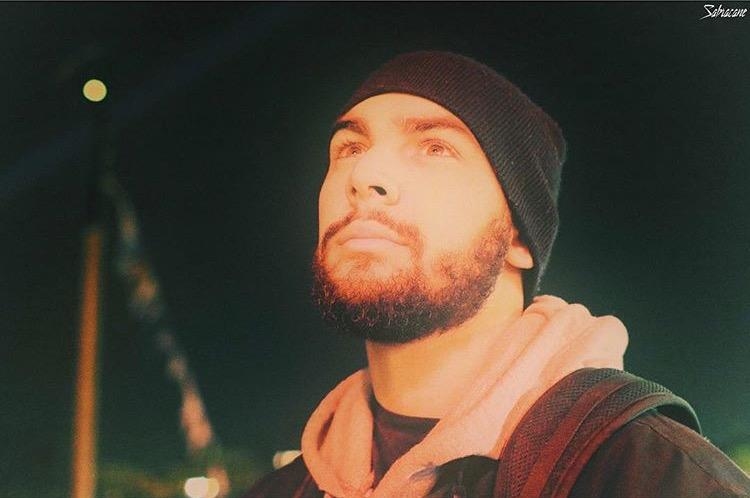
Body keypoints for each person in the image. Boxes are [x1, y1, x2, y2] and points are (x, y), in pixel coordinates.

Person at [244, 51, 750, 498]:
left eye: (435, 147)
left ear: (519, 238)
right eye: (349, 149)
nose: (364, 176)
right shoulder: (282, 490)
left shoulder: (659, 478)